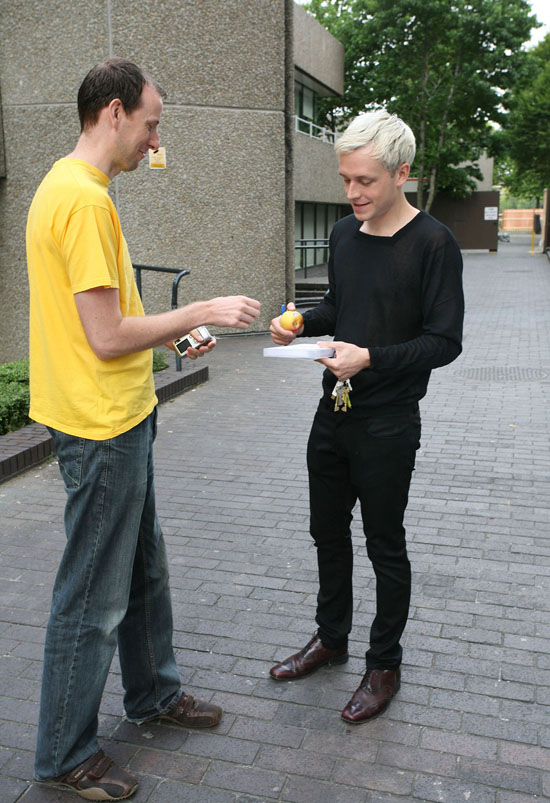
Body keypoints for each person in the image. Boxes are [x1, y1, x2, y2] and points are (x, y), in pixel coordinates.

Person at [26, 57, 261, 800]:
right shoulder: (86, 202)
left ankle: (154, 693)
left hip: (115, 415)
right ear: (115, 112)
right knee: (92, 596)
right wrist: (199, 310)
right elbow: (104, 335)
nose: (156, 141)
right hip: (101, 427)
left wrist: (167, 338)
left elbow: (104, 317)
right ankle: (65, 754)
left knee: (141, 571)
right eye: (152, 123)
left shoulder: (68, 187)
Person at [269, 110, 464, 723]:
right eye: (346, 180)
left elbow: (444, 341)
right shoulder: (343, 234)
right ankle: (331, 639)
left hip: (389, 424)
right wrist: (302, 320)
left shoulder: (434, 243)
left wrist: (371, 358)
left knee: (384, 544)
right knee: (326, 533)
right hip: (333, 412)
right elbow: (340, 305)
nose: (352, 194)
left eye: (366, 181)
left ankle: (384, 664)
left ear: (401, 173)